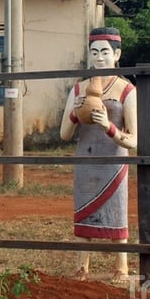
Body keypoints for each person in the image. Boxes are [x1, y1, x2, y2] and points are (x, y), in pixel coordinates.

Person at [59, 26, 138, 283]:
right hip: (85, 160)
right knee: (83, 211)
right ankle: (82, 266)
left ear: (117, 54)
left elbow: (134, 141)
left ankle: (121, 266)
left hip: (113, 161)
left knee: (117, 210)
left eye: (105, 51)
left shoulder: (127, 91)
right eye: (94, 52)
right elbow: (64, 134)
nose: (99, 57)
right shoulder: (79, 88)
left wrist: (108, 126)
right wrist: (75, 112)